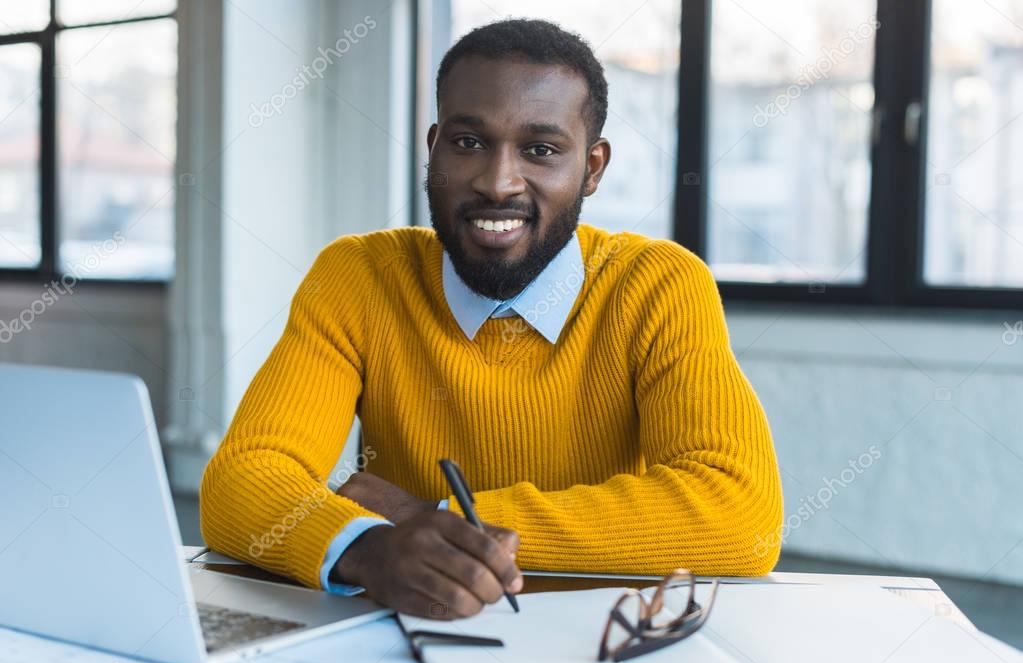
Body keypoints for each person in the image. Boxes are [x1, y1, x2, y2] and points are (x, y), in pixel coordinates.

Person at [200, 18, 783, 620]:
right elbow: (242, 481)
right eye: (469, 142)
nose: (497, 182)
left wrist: (434, 517)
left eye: (541, 150)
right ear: (433, 149)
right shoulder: (359, 275)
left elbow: (739, 515)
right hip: (412, 633)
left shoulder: (657, 284)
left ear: (593, 167)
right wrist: (368, 547)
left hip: (595, 648)